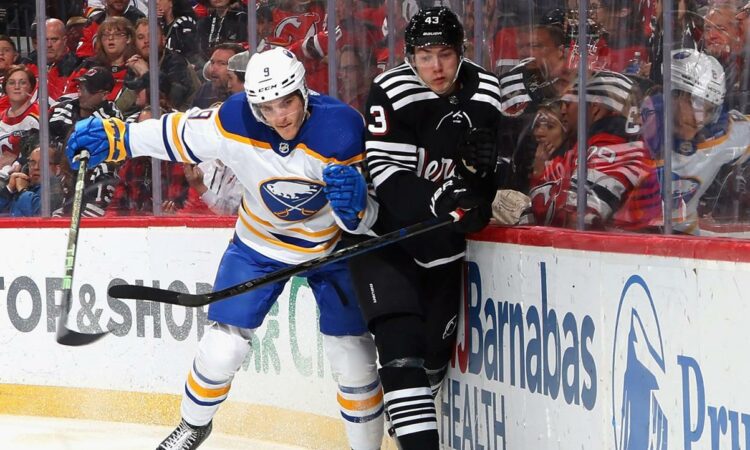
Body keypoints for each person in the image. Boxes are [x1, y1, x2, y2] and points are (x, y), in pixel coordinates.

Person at [65, 47, 384, 450]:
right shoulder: (236, 119)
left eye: (287, 102)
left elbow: (370, 219)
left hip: (333, 248)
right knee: (221, 349)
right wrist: (120, 137)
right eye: (267, 107)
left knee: (354, 358)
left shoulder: (342, 129)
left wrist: (358, 209)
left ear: (304, 90)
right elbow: (178, 133)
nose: (280, 116)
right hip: (260, 244)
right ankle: (193, 425)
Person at [346, 7, 502, 449]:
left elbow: (482, 180)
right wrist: (441, 198)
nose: (435, 67)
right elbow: (387, 177)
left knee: (433, 359)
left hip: (442, 248)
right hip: (384, 239)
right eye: (424, 56)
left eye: (445, 54)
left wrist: (477, 191)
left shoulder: (487, 91)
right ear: (409, 55)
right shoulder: (391, 90)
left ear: (462, 52)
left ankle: (406, 418)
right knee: (402, 355)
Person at [528, 70, 662, 231]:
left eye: (569, 103)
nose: (563, 111)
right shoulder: (588, 145)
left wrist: (529, 206)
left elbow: (579, 216)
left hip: (619, 245)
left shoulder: (615, 146)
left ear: (595, 107)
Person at [642, 49, 750, 234]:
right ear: (672, 94)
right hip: (629, 240)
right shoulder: (636, 128)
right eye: (696, 103)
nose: (700, 119)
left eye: (709, 110)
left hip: (687, 240)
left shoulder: (721, 134)